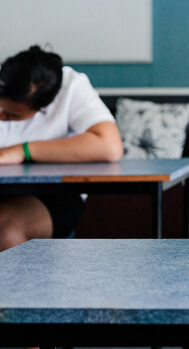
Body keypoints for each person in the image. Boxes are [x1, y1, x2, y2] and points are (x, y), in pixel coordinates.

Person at [0, 46, 123, 250]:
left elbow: (109, 146)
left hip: (53, 194)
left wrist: (23, 151)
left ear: (43, 107)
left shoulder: (71, 86)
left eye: (12, 115)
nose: (1, 115)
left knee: (6, 231)